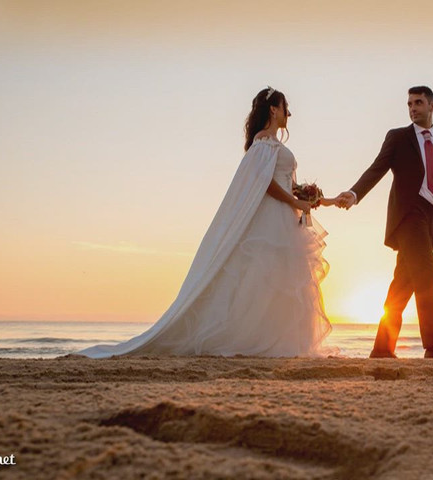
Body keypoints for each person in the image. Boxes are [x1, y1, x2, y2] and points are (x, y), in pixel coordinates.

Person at [78, 87, 337, 358]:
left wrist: (317, 197)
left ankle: (280, 342)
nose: (289, 113)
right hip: (273, 218)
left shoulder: (274, 146)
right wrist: (295, 203)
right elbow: (265, 184)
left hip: (286, 217)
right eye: (285, 107)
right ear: (273, 109)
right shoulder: (263, 143)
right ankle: (256, 340)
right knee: (264, 277)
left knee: (283, 280)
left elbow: (288, 184)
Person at [334, 86, 433, 359]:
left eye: (418, 102)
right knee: (429, 273)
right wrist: (355, 193)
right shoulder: (398, 137)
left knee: (403, 283)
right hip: (407, 217)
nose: (412, 108)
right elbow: (377, 168)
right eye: (409, 103)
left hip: (430, 221)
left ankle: (382, 349)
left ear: (432, 106)